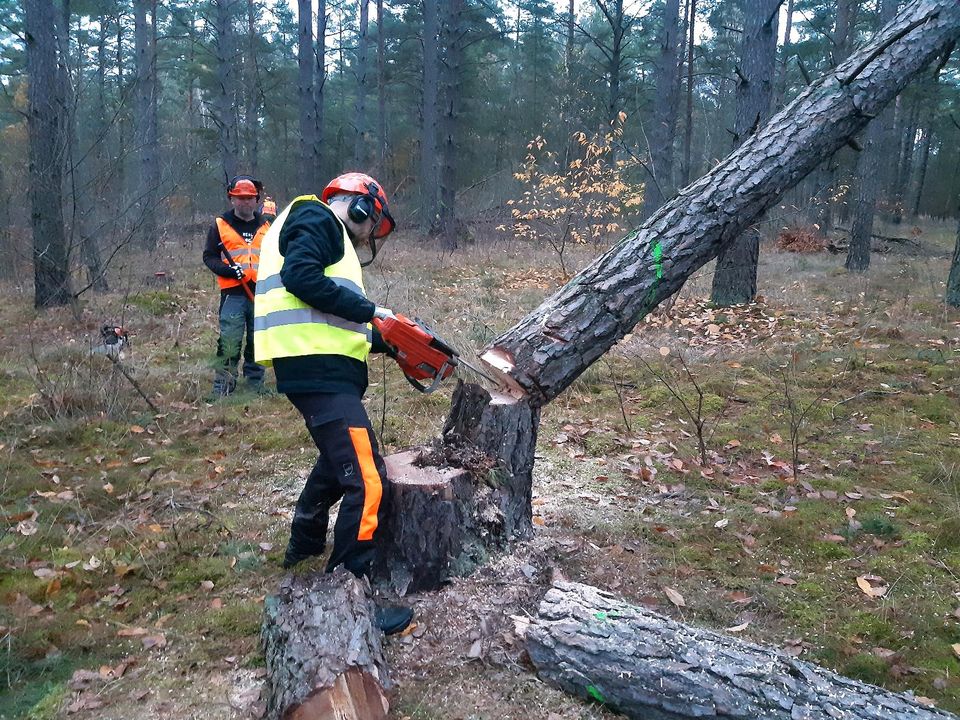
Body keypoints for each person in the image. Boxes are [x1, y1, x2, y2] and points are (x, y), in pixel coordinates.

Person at [253, 172, 412, 635]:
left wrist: (394, 341)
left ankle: (302, 543)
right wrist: (372, 311)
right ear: (360, 208)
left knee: (335, 461)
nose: (368, 236)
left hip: (322, 369)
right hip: (316, 371)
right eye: (370, 225)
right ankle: (349, 592)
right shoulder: (317, 218)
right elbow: (301, 280)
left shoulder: (327, 238)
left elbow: (331, 315)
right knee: (367, 478)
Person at [202, 175, 272, 397]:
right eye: (240, 198)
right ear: (232, 199)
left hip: (260, 293)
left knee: (257, 340)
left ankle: (254, 383)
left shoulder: (267, 225)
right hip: (233, 294)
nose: (245, 202)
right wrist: (228, 271)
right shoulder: (221, 225)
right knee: (229, 340)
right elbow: (209, 256)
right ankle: (223, 386)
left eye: (249, 198)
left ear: (256, 199)